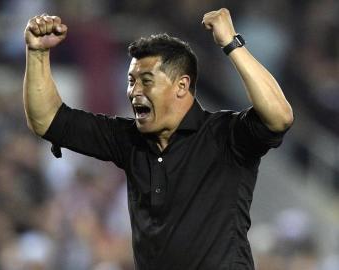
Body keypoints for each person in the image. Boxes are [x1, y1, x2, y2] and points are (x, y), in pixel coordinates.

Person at [23, 8, 293, 270]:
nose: (134, 91)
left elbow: (279, 116)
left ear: (181, 86)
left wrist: (232, 45)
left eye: (147, 80)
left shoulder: (225, 134)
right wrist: (37, 53)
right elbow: (46, 120)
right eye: (131, 81)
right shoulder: (128, 139)